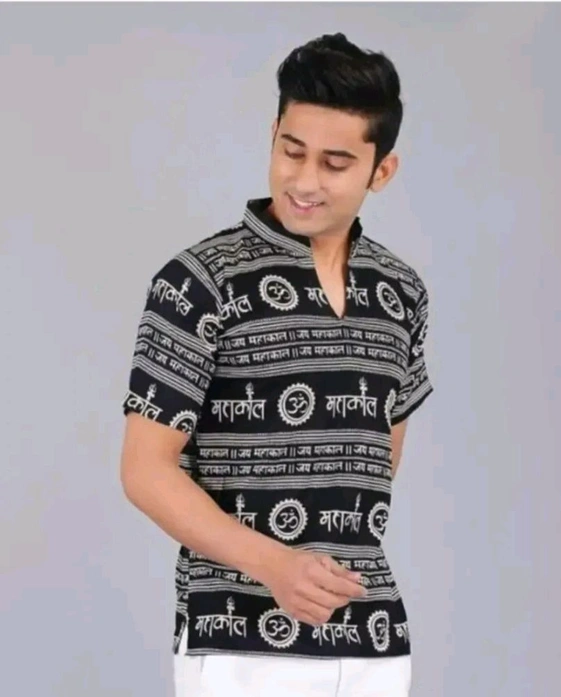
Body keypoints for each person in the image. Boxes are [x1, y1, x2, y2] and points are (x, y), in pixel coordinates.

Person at [120, 32, 434, 697]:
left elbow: (378, 459)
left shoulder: (400, 292)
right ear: (272, 136)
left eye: (335, 163)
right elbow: (145, 469)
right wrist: (275, 565)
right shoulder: (198, 282)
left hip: (373, 639)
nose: (304, 180)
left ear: (381, 172)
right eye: (292, 151)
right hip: (238, 640)